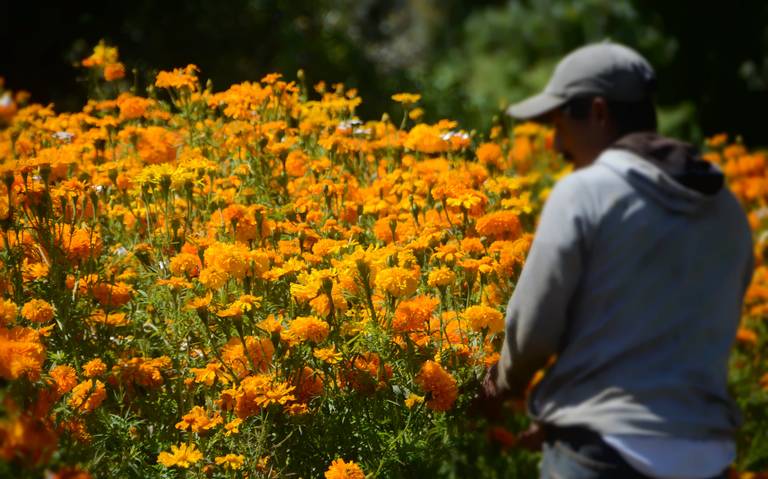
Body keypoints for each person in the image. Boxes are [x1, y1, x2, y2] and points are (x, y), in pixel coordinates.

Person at [479, 42, 755, 479]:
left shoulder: (586, 193)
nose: (554, 144)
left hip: (601, 458)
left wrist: (501, 386)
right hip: (706, 458)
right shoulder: (726, 209)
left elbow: (532, 329)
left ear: (600, 112)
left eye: (559, 123)